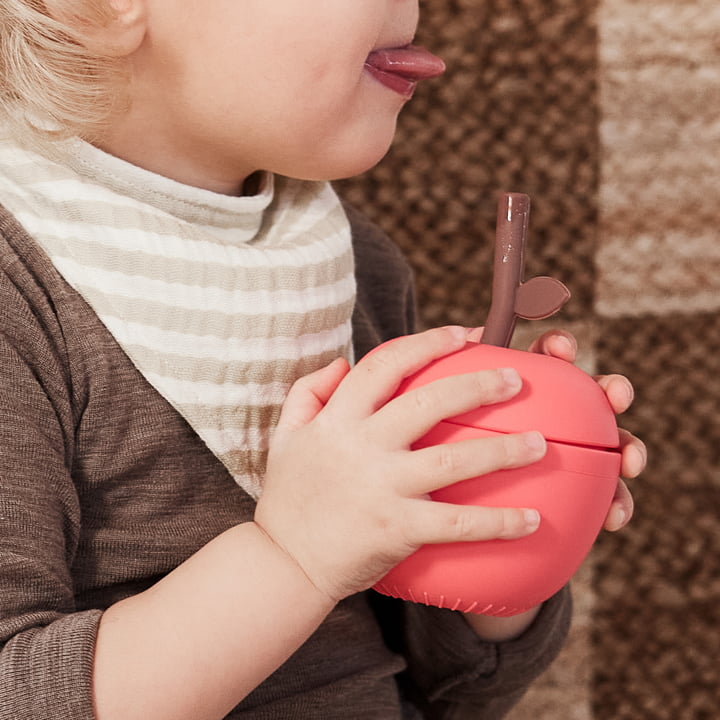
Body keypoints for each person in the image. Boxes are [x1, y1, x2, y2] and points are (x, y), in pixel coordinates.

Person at [0, 1, 646, 718]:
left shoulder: (355, 263)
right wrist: (296, 557)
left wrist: (497, 531)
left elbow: (454, 695)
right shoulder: (16, 284)